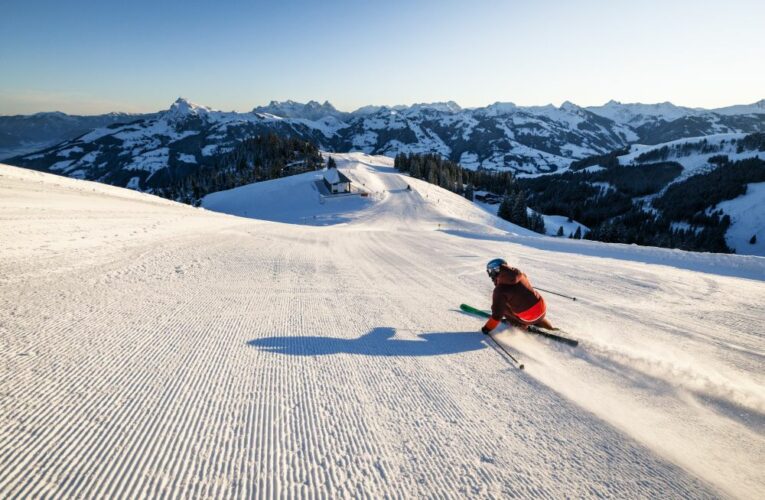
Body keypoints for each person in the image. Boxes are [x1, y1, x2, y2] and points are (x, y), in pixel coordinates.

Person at [481, 258, 554, 334]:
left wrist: (487, 328)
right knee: (526, 300)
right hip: (542, 308)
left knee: (501, 307)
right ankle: (549, 328)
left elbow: (497, 315)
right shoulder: (520, 274)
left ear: (495, 271)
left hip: (528, 318)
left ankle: (521, 325)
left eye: (490, 272)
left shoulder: (500, 290)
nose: (490, 276)